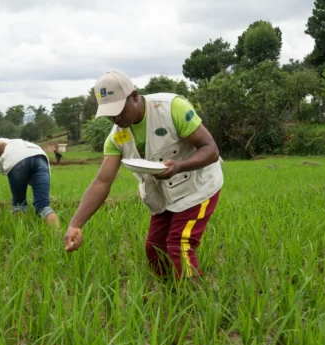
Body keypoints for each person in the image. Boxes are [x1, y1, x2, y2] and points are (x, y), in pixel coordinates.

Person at [63, 70, 223, 281]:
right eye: (109, 113)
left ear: (135, 96)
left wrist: (180, 166)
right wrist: (75, 224)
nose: (115, 118)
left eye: (118, 109)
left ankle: (194, 304)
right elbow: (102, 182)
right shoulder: (117, 137)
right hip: (162, 196)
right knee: (154, 250)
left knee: (179, 245)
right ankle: (171, 297)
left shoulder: (171, 108)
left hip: (197, 186)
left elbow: (210, 149)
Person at [0, 138, 60, 228]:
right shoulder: (20, 143)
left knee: (19, 205)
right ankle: (57, 238)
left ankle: (20, 233)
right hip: (40, 157)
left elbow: (0, 145)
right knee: (43, 206)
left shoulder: (1, 144)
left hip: (17, 161)